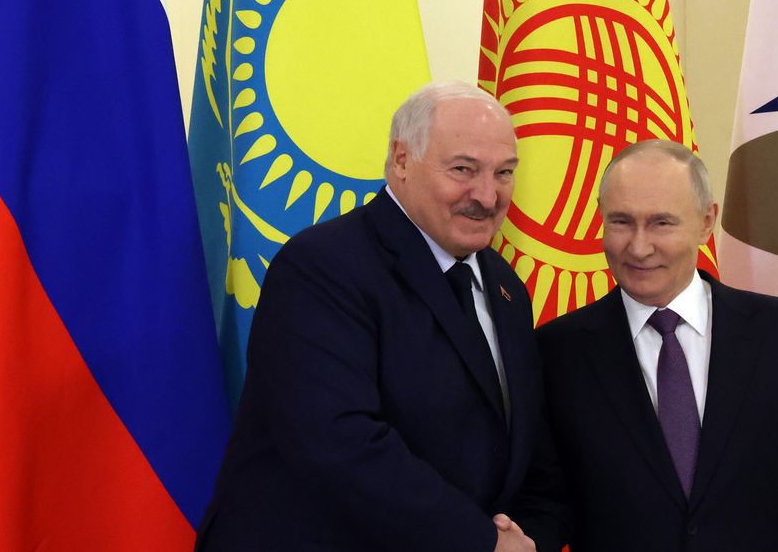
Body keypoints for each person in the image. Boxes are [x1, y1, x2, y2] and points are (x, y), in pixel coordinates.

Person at [196, 81, 542, 552]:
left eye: (504, 173)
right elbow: (338, 443)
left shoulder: (505, 288)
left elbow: (516, 447)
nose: (487, 194)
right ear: (401, 160)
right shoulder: (322, 267)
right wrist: (481, 541)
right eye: (463, 169)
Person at [518, 139, 778, 551]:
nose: (639, 246)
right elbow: (550, 503)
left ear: (706, 222)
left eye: (661, 223)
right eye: (622, 222)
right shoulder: (557, 352)